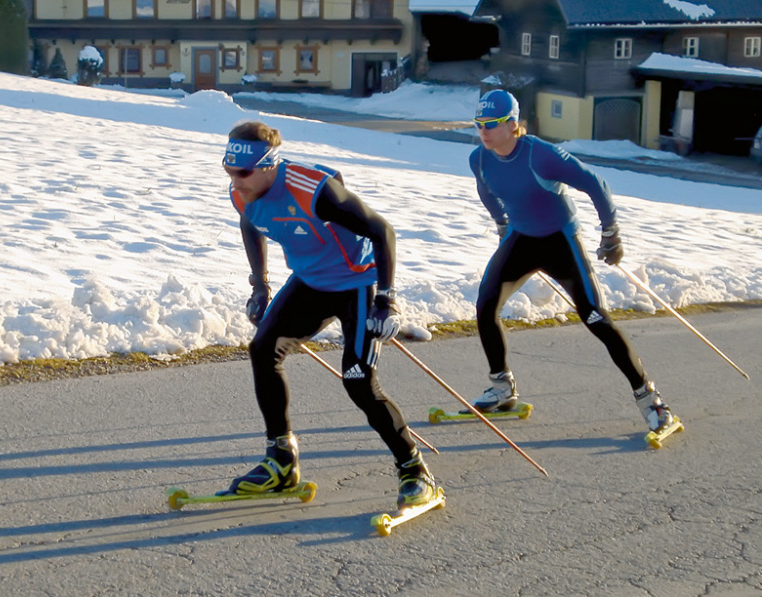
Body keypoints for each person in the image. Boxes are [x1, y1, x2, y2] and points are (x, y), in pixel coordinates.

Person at [219, 120, 439, 509]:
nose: (235, 181)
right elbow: (249, 223)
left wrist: (386, 299)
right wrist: (260, 285)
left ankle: (414, 470)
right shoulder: (243, 194)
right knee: (262, 349)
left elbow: (382, 231)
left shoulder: (313, 191)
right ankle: (281, 460)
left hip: (357, 283)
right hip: (311, 282)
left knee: (357, 380)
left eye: (243, 172)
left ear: (270, 164)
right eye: (228, 169)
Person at [467, 89, 679, 435]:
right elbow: (485, 189)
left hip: (560, 241)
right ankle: (502, 386)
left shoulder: (541, 155)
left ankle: (651, 400)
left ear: (512, 125)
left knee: (596, 318)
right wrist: (501, 223)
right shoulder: (479, 158)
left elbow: (595, 184)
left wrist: (611, 233)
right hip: (521, 238)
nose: (483, 132)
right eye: (479, 124)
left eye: (490, 125)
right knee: (486, 304)